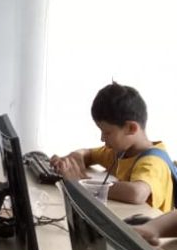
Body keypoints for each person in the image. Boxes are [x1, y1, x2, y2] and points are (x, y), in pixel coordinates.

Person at [50, 82, 174, 211]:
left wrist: (81, 183)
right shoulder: (121, 152)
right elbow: (88, 153)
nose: (102, 138)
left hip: (148, 223)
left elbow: (137, 193)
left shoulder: (154, 162)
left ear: (131, 128)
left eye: (107, 132)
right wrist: (74, 159)